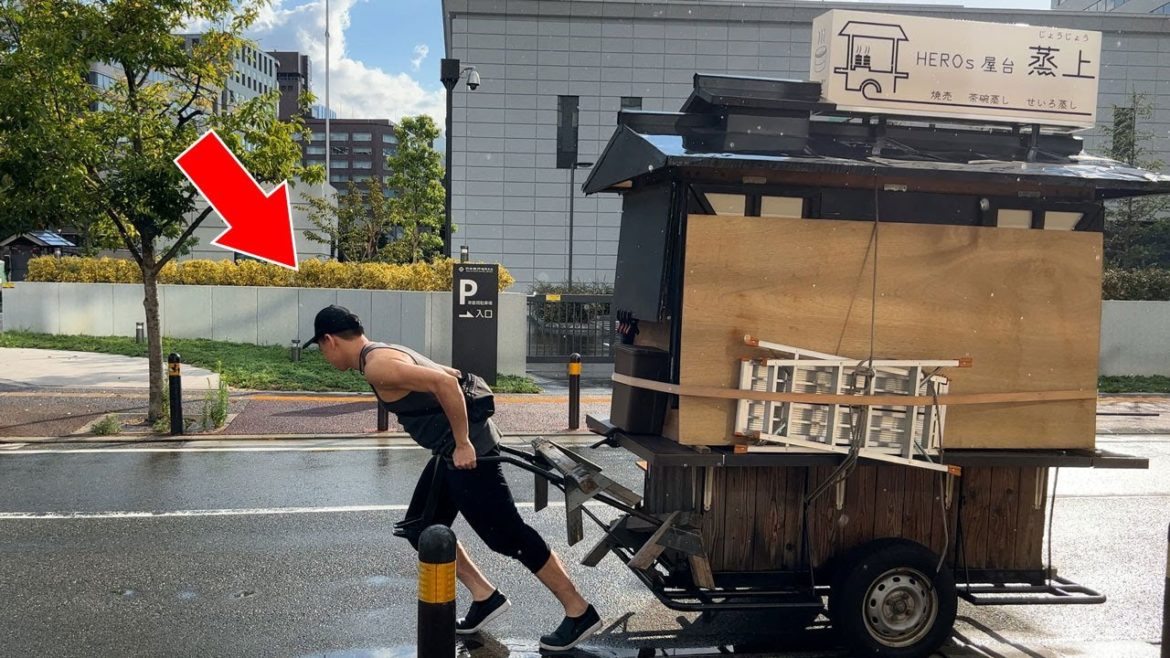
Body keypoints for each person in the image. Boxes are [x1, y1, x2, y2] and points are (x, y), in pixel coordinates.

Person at [305, 305, 602, 651]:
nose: (325, 356)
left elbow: (446, 382)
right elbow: (451, 371)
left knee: (508, 535)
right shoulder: (384, 351)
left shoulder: (378, 366)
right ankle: (484, 596)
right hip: (451, 451)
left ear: (329, 341)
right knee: (422, 526)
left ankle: (579, 610)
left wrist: (462, 442)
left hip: (467, 451)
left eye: (322, 348)